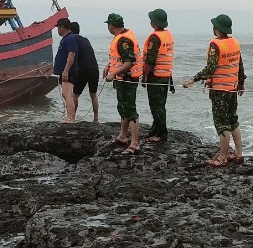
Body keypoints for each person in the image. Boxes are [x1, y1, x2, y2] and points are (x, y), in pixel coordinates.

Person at [182, 14, 244, 167]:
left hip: (219, 90)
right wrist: (241, 83)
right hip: (232, 89)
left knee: (222, 123)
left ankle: (222, 157)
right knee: (233, 120)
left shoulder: (215, 45)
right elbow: (240, 64)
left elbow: (210, 69)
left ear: (216, 28)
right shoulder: (234, 42)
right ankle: (238, 153)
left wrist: (193, 79)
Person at [103, 12, 142, 154]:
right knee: (123, 107)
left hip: (128, 80)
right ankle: (123, 136)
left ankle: (135, 143)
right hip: (122, 80)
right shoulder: (122, 37)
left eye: (108, 25)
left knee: (130, 110)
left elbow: (129, 62)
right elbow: (120, 58)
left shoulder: (123, 40)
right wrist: (109, 66)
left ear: (111, 26)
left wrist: (113, 73)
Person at [142, 8, 174, 143]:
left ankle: (162, 134)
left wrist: (144, 76)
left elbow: (150, 60)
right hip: (166, 75)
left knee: (157, 105)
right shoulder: (168, 35)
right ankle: (155, 129)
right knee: (159, 104)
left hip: (155, 76)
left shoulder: (155, 38)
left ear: (154, 22)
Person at [69, 21, 100, 123]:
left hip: (83, 70)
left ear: (70, 30)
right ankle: (96, 119)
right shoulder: (85, 39)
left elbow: (72, 56)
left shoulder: (72, 39)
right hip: (95, 69)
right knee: (93, 95)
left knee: (75, 95)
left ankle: (72, 117)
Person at [54, 18, 80, 122]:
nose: (58, 30)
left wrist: (66, 70)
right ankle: (70, 117)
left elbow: (71, 54)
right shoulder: (66, 39)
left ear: (62, 27)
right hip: (66, 71)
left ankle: (70, 118)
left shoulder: (70, 39)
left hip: (69, 71)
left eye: (58, 28)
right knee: (67, 94)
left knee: (66, 94)